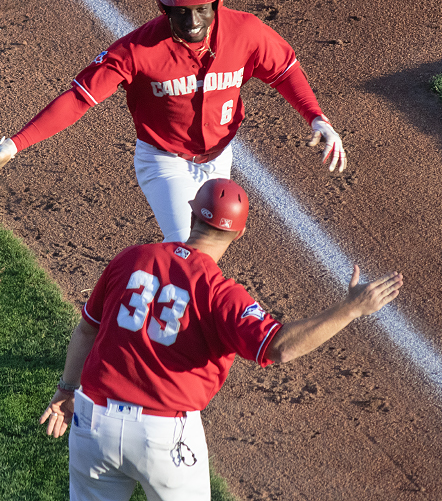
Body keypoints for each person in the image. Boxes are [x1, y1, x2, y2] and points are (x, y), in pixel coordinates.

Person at [38, 178, 403, 501]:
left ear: (193, 214)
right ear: (238, 234)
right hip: (163, 437)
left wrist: (67, 388)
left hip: (94, 424)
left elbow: (88, 328)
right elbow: (279, 347)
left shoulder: (133, 258)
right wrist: (351, 309)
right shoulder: (221, 293)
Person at [0, 0, 346, 242]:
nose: (192, 22)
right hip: (164, 160)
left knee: (207, 253)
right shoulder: (137, 50)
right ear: (163, 6)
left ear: (217, 1)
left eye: (201, 10)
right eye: (179, 12)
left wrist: (317, 117)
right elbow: (79, 98)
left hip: (220, 154)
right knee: (186, 247)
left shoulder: (246, 33)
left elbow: (285, 71)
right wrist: (15, 144)